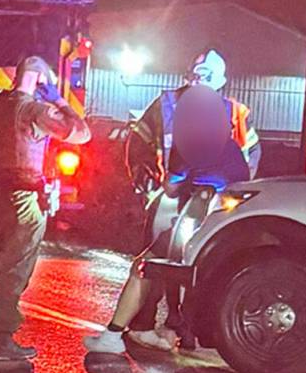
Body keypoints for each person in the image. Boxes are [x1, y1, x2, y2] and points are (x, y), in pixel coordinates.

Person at [83, 49, 261, 354]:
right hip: (197, 206)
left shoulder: (221, 117)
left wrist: (171, 184)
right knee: (181, 266)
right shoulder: (178, 107)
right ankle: (164, 327)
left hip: (195, 205)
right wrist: (148, 185)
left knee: (151, 266)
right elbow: (140, 146)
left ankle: (122, 334)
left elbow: (242, 158)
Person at [0, 55, 91, 362]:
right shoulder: (33, 110)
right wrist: (60, 101)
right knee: (15, 270)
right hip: (22, 201)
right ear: (40, 80)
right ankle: (2, 340)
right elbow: (81, 133)